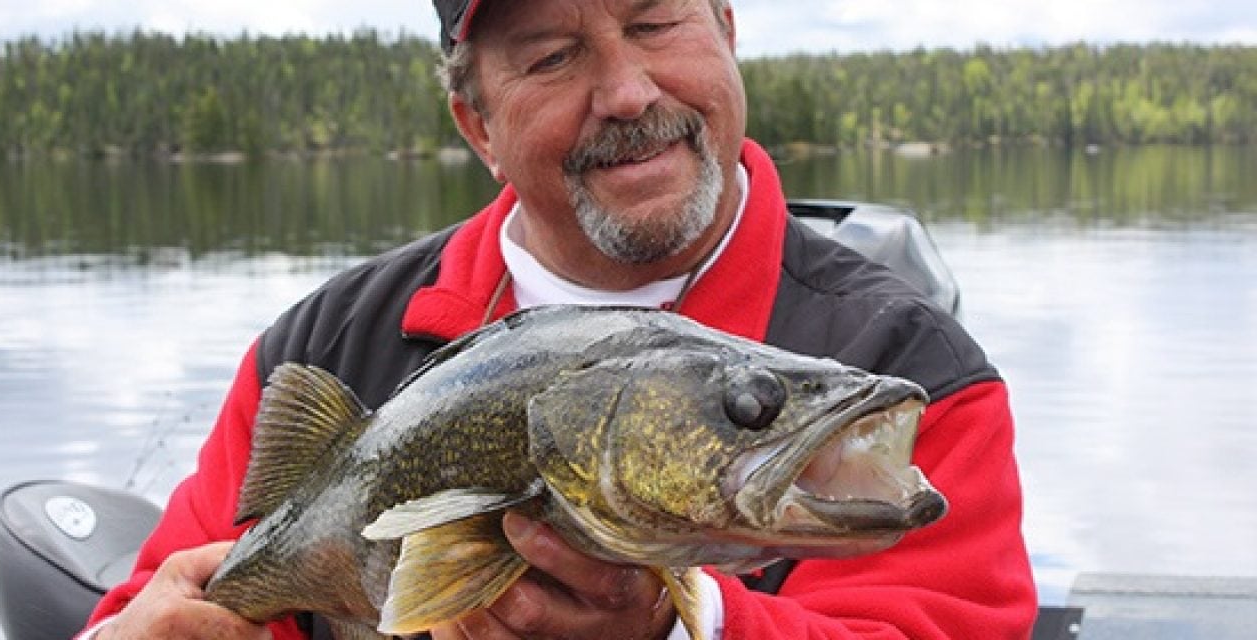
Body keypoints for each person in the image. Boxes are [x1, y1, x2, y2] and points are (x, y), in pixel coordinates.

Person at [82, 0, 1038, 638]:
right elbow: (155, 602)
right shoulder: (326, 344)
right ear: (478, 126)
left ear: (729, 30)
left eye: (657, 19)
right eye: (552, 56)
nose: (627, 91)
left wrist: (680, 620)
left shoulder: (909, 369)